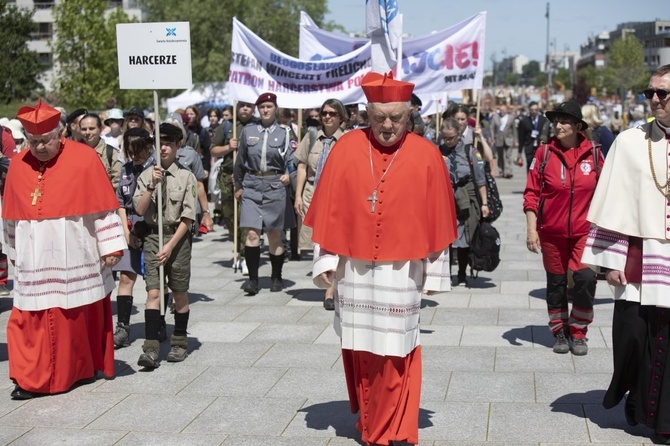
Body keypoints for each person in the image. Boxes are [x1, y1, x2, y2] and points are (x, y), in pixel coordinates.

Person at [303, 72, 457, 446]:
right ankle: (373, 422)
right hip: (355, 269)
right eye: (379, 117)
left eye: (397, 118)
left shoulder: (426, 153)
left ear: (409, 114)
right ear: (366, 114)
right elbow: (330, 210)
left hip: (401, 272)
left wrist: (435, 274)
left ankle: (387, 429)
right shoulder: (345, 148)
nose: (387, 126)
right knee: (360, 349)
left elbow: (438, 216)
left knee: (394, 351)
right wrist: (325, 261)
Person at [2, 100, 126, 399]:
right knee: (30, 318)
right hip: (35, 256)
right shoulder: (19, 163)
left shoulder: (83, 158)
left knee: (77, 315)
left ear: (60, 134)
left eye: (46, 141)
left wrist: (111, 246)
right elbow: (11, 215)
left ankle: (80, 370)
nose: (40, 148)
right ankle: (35, 378)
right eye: (33, 142)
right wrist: (12, 250)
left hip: (77, 247)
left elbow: (103, 209)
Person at [581, 64, 670, 444]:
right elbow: (614, 200)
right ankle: (638, 400)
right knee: (635, 336)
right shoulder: (631, 140)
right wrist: (612, 261)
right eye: (649, 93)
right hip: (642, 255)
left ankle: (663, 421)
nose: (653, 100)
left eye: (661, 94)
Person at [523, 100, 603, 356]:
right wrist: (531, 229)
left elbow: (606, 192)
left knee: (586, 279)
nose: (558, 125)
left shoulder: (594, 153)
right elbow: (531, 193)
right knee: (556, 283)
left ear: (578, 126)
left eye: (564, 120)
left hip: (584, 232)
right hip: (551, 233)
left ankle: (578, 331)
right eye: (555, 120)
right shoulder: (544, 153)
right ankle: (559, 330)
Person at [133, 122, 197, 368]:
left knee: (179, 292)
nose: (164, 149)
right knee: (153, 292)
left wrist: (170, 246)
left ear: (178, 145)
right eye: (160, 144)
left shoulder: (186, 176)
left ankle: (179, 342)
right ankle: (150, 348)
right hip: (152, 237)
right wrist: (151, 186)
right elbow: (139, 209)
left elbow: (188, 217)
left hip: (177, 240)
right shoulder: (146, 175)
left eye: (169, 144)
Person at [234, 93, 297, 294]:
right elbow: (240, 160)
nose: (265, 110)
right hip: (252, 184)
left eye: (269, 106)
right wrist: (238, 185)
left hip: (274, 185)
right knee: (252, 233)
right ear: (257, 109)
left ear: (275, 108)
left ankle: (276, 276)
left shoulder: (285, 133)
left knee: (274, 234)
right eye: (262, 107)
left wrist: (289, 174)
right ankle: (253, 280)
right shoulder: (248, 131)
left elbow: (294, 160)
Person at [293, 98, 346, 310]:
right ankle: (325, 275)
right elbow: (302, 166)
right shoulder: (312, 136)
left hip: (337, 196)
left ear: (341, 117)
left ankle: (330, 290)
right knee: (317, 241)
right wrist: (298, 195)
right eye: (324, 112)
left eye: (332, 113)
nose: (327, 116)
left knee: (333, 242)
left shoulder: (348, 140)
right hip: (312, 193)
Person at [112, 128, 158, 348]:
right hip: (130, 227)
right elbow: (120, 201)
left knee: (155, 281)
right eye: (131, 152)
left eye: (139, 151)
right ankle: (122, 327)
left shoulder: (157, 169)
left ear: (149, 147)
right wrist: (126, 231)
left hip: (151, 227)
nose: (135, 156)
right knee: (125, 278)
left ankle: (157, 320)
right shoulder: (126, 169)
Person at [439, 117, 490, 287]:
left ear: (458, 134)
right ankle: (446, 274)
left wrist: (484, 203)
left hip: (467, 199)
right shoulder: (439, 151)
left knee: (465, 237)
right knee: (447, 239)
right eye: (444, 137)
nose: (447, 141)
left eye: (451, 138)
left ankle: (461, 274)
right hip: (446, 199)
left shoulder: (470, 150)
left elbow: (480, 179)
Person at [211, 101, 256, 274]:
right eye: (242, 105)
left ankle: (245, 255)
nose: (245, 108)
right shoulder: (227, 125)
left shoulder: (257, 125)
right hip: (227, 176)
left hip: (248, 177)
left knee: (245, 217)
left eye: (249, 105)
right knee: (229, 218)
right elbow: (213, 150)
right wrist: (228, 147)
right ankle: (238, 248)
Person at [79, 113, 122, 189]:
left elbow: (117, 182)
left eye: (92, 128)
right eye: (84, 129)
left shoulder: (111, 153)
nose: (87, 132)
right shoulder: (74, 152)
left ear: (100, 129)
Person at [517, 101, 549, 171]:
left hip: (540, 146)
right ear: (529, 110)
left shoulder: (543, 120)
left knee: (539, 165)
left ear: (538, 110)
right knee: (530, 165)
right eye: (532, 110)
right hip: (529, 146)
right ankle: (530, 180)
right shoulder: (524, 121)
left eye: (536, 110)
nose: (534, 111)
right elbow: (521, 137)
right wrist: (519, 152)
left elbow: (547, 134)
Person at [490, 104, 517, 178]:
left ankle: (509, 171)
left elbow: (514, 130)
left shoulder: (511, 117)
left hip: (509, 139)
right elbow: (492, 128)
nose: (502, 111)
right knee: (500, 156)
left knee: (508, 156)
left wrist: (516, 140)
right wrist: (492, 138)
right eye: (501, 110)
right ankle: (501, 171)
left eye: (504, 110)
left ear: (506, 110)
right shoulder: (495, 117)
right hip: (499, 139)